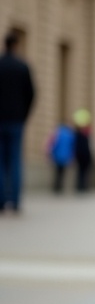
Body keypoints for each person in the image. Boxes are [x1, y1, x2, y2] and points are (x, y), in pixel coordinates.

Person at [0, 30, 35, 214]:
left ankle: (0, 200)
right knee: (14, 160)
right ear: (16, 45)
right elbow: (31, 94)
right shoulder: (22, 67)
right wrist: (23, 115)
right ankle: (14, 201)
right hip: (16, 120)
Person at [47, 121, 76, 193]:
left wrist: (50, 154)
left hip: (57, 156)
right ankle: (60, 187)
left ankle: (56, 187)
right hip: (65, 157)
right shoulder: (70, 135)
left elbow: (53, 145)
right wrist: (71, 157)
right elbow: (72, 147)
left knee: (57, 172)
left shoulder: (57, 133)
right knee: (62, 173)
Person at [73, 109, 93, 193]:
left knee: (81, 172)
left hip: (81, 156)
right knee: (82, 172)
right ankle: (82, 186)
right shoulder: (83, 135)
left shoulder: (78, 134)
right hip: (83, 156)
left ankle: (81, 186)